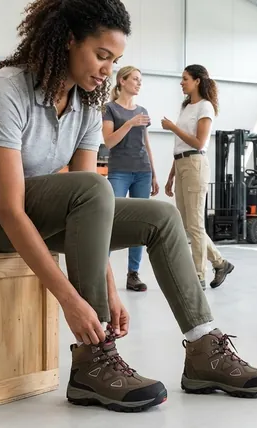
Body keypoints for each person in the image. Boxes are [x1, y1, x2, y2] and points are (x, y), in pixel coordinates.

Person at [0, 0, 257, 413]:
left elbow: (90, 211)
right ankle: (92, 359)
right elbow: (9, 208)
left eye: (115, 60)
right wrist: (72, 302)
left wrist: (109, 289)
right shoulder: (5, 90)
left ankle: (204, 350)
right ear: (68, 41)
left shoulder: (86, 107)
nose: (107, 69)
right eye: (101, 55)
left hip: (25, 204)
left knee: (161, 216)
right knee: (94, 189)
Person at [161, 64, 234, 290]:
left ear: (197, 81)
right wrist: (171, 175)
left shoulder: (205, 107)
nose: (181, 82)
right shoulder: (186, 107)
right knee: (187, 224)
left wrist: (173, 127)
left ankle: (198, 276)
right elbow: (180, 145)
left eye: (185, 79)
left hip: (195, 164)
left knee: (195, 224)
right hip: (181, 163)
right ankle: (220, 263)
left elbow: (199, 143)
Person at [102, 65, 158, 292]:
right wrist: (129, 123)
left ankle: (133, 274)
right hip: (119, 172)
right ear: (122, 81)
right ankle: (100, 273)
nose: (138, 83)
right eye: (135, 79)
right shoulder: (109, 109)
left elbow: (146, 144)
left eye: (140, 80)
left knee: (139, 225)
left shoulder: (142, 110)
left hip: (142, 172)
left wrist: (154, 173)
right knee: (108, 220)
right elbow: (108, 142)